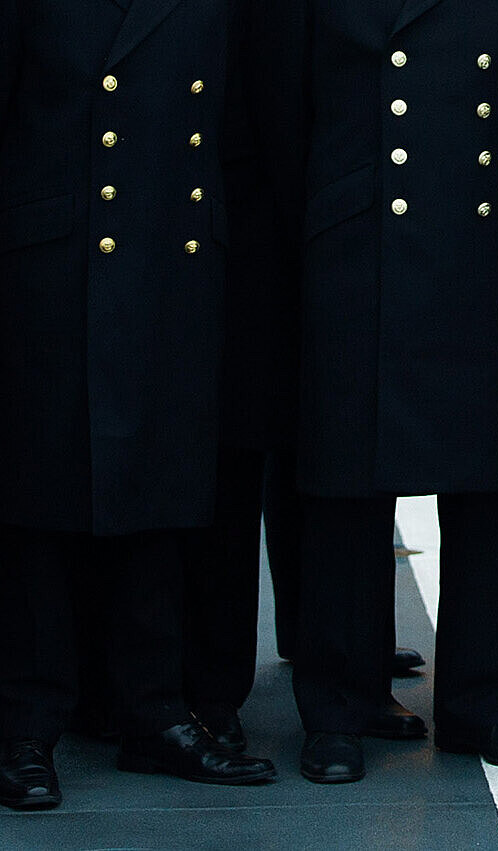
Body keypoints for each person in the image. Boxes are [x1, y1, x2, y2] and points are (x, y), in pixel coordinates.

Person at [0, 0, 279, 811]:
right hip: (51, 263)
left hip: (172, 257)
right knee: (37, 498)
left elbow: (237, 127)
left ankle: (153, 711)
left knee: (159, 487)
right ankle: (26, 723)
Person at [286, 0, 498, 783]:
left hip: (482, 237)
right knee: (343, 482)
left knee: (486, 482)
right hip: (353, 238)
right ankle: (338, 707)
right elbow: (280, 115)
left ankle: (477, 703)